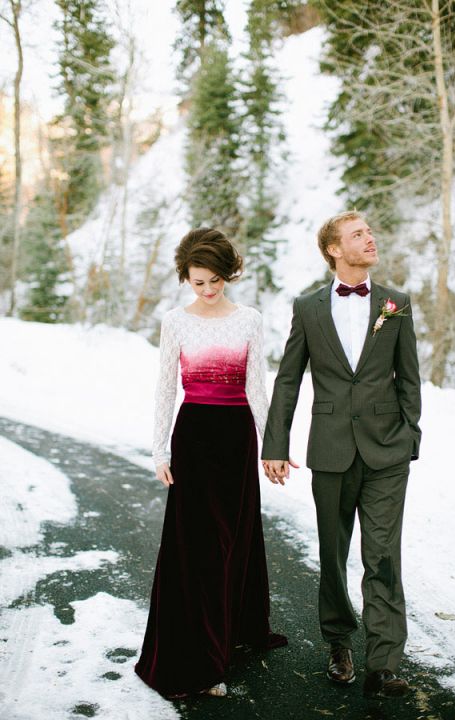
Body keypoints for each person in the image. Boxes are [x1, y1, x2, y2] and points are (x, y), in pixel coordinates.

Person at [261, 211, 421, 698]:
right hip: (329, 449)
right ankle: (338, 641)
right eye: (358, 235)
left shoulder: (397, 303)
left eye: (370, 232)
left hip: (387, 451)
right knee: (332, 554)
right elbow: (289, 378)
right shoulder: (308, 308)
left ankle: (385, 662)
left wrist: (410, 435)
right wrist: (276, 444)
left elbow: (408, 376)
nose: (370, 239)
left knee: (383, 556)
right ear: (334, 249)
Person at [135, 227, 287, 699]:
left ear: (229, 273)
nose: (207, 289)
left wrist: (272, 446)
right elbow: (165, 388)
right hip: (195, 436)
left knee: (233, 540)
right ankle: (199, 655)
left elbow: (256, 387)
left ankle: (233, 630)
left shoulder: (249, 319)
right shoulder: (175, 321)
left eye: (216, 280)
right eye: (198, 282)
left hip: (236, 437)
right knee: (197, 547)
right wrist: (160, 449)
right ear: (186, 278)